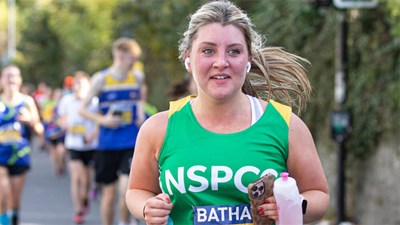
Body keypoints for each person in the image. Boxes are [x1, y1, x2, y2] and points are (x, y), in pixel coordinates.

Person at [125, 1, 329, 224]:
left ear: (248, 59)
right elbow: (137, 190)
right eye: (208, 51)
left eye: (234, 51)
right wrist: (147, 207)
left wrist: (293, 206)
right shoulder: (159, 127)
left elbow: (319, 196)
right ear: (188, 59)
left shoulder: (285, 125)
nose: (221, 62)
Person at [79, 37, 146, 225]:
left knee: (127, 190)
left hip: (131, 142)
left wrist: (140, 113)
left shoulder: (138, 77)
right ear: (119, 55)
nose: (134, 62)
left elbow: (140, 98)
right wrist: (103, 120)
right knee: (109, 194)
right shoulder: (101, 79)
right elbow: (82, 109)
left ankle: (124, 222)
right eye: (132, 57)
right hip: (107, 144)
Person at [0, 65, 43, 225]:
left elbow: (40, 130)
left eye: (14, 76)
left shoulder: (27, 102)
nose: (11, 79)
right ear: (1, 80)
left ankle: (14, 218)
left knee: (14, 199)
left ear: (19, 80)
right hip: (0, 154)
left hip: (20, 155)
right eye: (7, 76)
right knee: (2, 194)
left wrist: (30, 121)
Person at [58, 71, 98, 224]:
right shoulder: (66, 100)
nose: (78, 86)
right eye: (76, 83)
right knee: (76, 177)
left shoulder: (94, 101)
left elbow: (99, 122)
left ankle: (85, 198)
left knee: (86, 179)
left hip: (90, 146)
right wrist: (63, 123)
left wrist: (92, 135)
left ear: (88, 86)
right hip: (73, 144)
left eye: (81, 84)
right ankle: (78, 210)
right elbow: (62, 118)